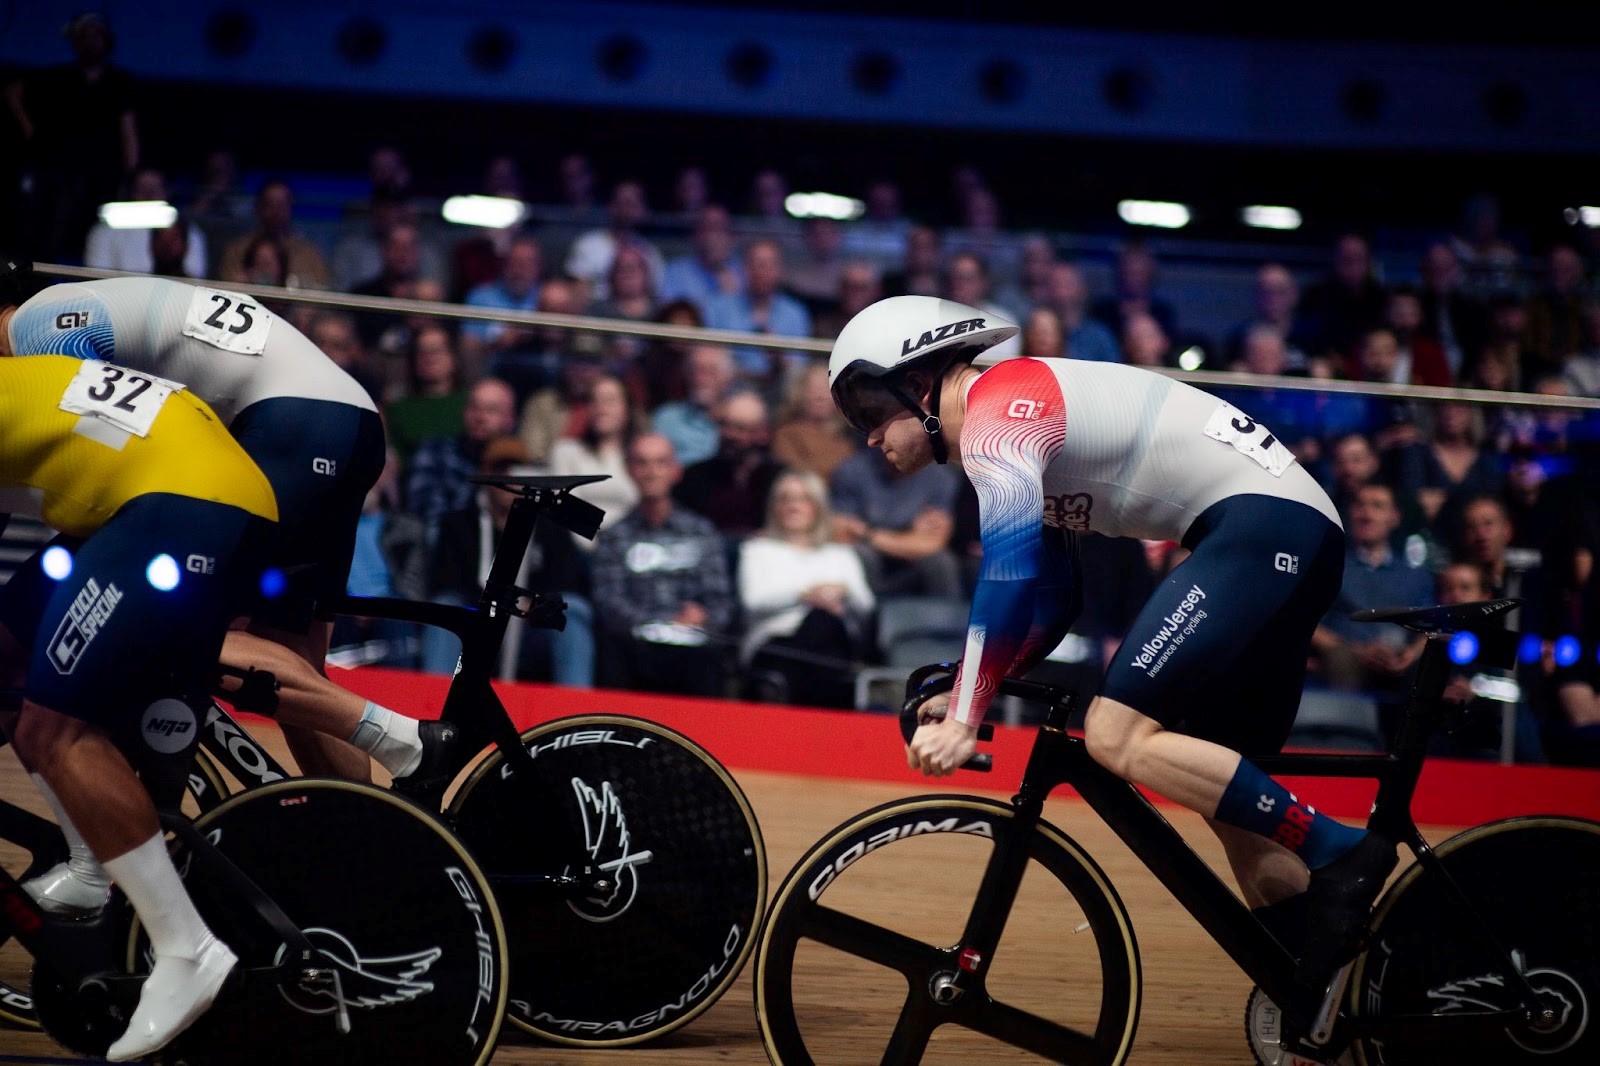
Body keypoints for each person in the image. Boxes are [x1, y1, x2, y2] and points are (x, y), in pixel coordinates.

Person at [827, 294, 1394, 995]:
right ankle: (1339, 989)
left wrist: (968, 715)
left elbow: (1009, 578)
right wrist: (967, 681)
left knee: (1115, 733)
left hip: (1262, 530)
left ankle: (1341, 851)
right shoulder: (1013, 428)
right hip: (1281, 534)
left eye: (867, 413)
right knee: (1235, 817)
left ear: (915, 384)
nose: (867, 437)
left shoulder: (1001, 409)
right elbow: (1052, 604)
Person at [0, 270, 445, 809]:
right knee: (295, 674)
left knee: (166, 625)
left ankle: (407, 740)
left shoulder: (36, 331)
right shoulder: (64, 308)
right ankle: (368, 833)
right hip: (335, 424)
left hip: (287, 429)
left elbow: (108, 443)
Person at [0, 353, 269, 1059]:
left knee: (51, 727)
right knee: (9, 656)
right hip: (186, 494)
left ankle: (188, 948)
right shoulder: (16, 381)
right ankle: (97, 865)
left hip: (178, 510)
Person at [590, 433, 735, 697]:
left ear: (676, 471)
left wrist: (704, 617)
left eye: (660, 463)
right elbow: (609, 603)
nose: (651, 472)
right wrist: (662, 624)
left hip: (691, 646)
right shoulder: (614, 536)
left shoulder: (700, 532)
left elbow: (721, 602)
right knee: (612, 649)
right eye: (642, 463)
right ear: (629, 470)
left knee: (708, 656)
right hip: (635, 646)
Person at [738, 469, 875, 708]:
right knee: (820, 631)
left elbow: (867, 607)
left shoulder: (841, 554)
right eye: (786, 499)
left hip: (835, 641)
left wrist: (845, 591)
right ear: (774, 507)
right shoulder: (758, 550)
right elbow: (753, 602)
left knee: (823, 624)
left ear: (818, 508)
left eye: (803, 499)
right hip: (776, 643)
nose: (794, 506)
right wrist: (806, 595)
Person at [673, 390, 785, 539]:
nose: (730, 434)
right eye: (725, 425)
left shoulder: (780, 479)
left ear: (762, 434)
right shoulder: (695, 476)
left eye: (740, 428)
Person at [546, 372, 642, 543]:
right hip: (578, 550)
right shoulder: (565, 451)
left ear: (627, 409)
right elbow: (565, 509)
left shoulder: (640, 456)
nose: (601, 407)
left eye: (610, 400)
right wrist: (605, 545)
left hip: (631, 549)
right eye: (594, 400)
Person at [217, 179, 331, 290]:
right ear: (258, 207)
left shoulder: (309, 255)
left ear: (291, 207)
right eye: (269, 203)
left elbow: (320, 295)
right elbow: (225, 289)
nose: (276, 211)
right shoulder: (237, 250)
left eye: (282, 204)